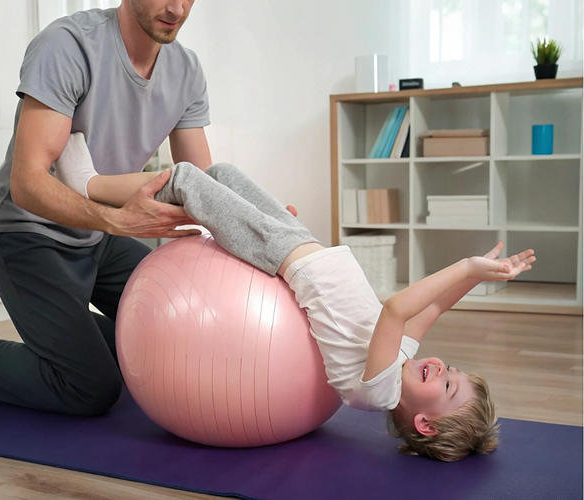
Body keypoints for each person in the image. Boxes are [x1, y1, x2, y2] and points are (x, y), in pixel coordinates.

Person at [53, 132, 536, 461]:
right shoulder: (403, 361)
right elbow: (435, 306)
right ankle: (109, 187)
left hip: (280, 253)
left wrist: (465, 266)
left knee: (186, 179)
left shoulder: (377, 390)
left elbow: (396, 310)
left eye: (448, 387)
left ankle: (87, 185)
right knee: (222, 173)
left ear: (425, 424)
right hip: (299, 241)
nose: (444, 369)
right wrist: (484, 274)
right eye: (454, 371)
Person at [0, 1, 213, 416]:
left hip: (100, 234)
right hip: (26, 232)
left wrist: (261, 224)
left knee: (175, 330)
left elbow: (202, 184)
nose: (177, 7)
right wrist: (117, 220)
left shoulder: (186, 70)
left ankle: (70, 335)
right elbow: (27, 183)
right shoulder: (68, 46)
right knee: (91, 388)